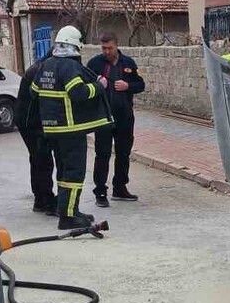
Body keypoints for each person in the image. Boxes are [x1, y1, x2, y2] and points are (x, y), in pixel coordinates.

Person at [30, 25, 112, 229]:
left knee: (63, 171)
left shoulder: (46, 64)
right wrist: (98, 86)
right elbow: (79, 93)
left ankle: (67, 210)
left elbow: (34, 92)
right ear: (76, 45)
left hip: (52, 129)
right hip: (71, 129)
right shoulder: (69, 66)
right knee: (74, 173)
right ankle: (68, 217)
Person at [86, 32, 145, 207]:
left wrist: (128, 86)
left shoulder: (128, 63)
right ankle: (100, 192)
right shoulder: (95, 64)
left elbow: (140, 84)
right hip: (103, 117)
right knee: (102, 154)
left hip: (124, 116)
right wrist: (97, 84)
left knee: (123, 153)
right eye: (103, 48)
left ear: (117, 46)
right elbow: (84, 85)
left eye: (109, 48)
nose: (106, 51)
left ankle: (120, 187)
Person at [15, 55, 56, 215]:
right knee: (43, 159)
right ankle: (45, 200)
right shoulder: (42, 71)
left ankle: (40, 199)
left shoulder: (40, 66)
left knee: (37, 158)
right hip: (30, 121)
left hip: (28, 118)